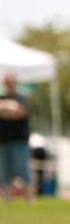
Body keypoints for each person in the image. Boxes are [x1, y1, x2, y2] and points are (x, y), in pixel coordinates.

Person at [0, 72, 35, 203]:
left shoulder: (22, 98)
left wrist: (5, 110)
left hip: (19, 141)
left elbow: (20, 112)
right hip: (3, 141)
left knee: (23, 170)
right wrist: (9, 107)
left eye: (10, 82)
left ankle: (30, 200)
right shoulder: (2, 97)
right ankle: (8, 200)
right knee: (4, 173)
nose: (8, 85)